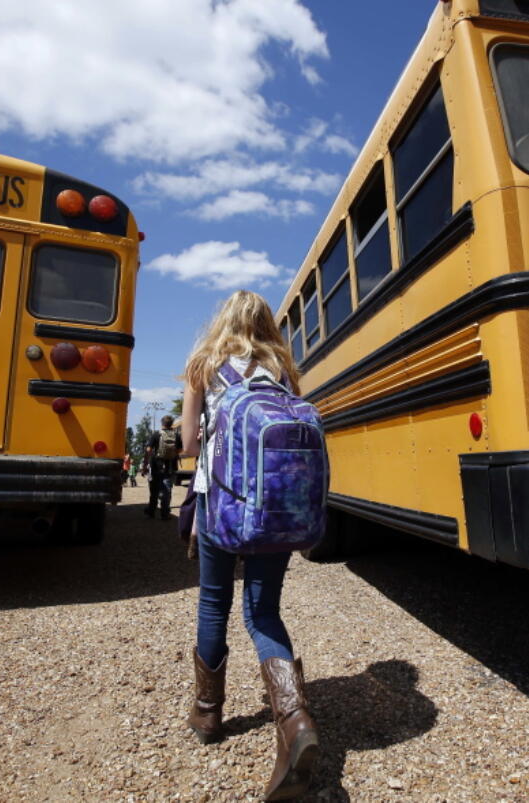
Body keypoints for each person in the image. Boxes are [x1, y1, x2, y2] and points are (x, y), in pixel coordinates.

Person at [179, 290, 318, 802]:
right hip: (277, 511)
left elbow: (191, 444)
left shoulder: (205, 363)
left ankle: (207, 713)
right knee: (263, 613)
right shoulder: (280, 365)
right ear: (266, 323)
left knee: (214, 602)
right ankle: (295, 719)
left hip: (221, 505)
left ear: (224, 320)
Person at [142, 415, 180, 519]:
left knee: (154, 490)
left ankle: (151, 510)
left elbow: (149, 450)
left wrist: (145, 465)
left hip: (155, 467)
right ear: (171, 424)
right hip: (170, 467)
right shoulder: (176, 435)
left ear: (162, 423)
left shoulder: (156, 434)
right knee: (167, 490)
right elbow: (179, 450)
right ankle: (165, 513)